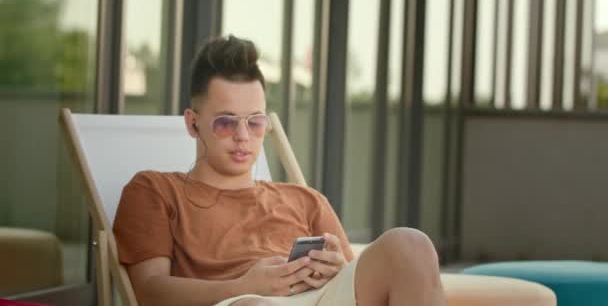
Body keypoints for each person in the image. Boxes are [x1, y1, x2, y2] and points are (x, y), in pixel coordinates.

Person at [113, 35, 446, 306]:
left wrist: (337, 269)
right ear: (192, 122)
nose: (243, 137)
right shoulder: (154, 190)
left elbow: (353, 278)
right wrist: (244, 286)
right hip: (239, 302)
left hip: (320, 300)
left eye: (255, 122)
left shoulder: (303, 199)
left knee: (409, 245)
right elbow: (149, 291)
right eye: (226, 122)